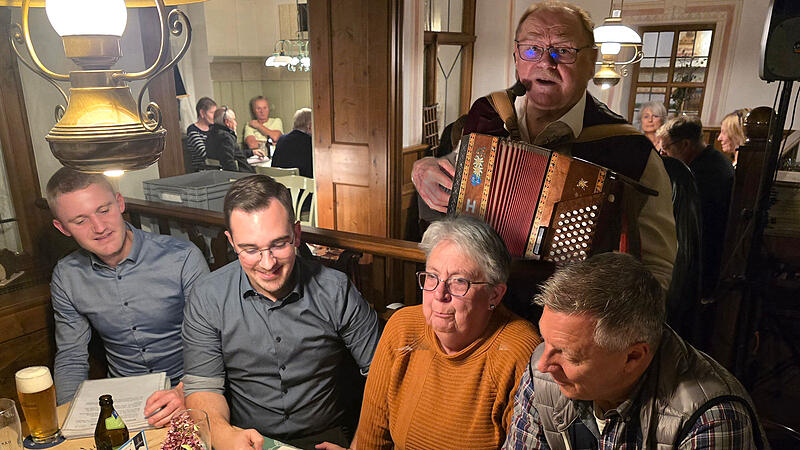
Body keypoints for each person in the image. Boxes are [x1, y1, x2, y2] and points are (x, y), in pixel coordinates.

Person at [411, 1, 677, 290]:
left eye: (563, 51)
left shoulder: (630, 151)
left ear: (592, 61)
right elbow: (442, 213)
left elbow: (657, 269)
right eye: (531, 49)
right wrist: (422, 168)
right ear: (516, 57)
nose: (546, 62)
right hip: (475, 305)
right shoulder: (481, 119)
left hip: (567, 322)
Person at [182, 175, 381, 449]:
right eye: (250, 249)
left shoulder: (336, 290)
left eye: (279, 244)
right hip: (246, 437)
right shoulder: (207, 297)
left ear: (296, 234)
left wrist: (360, 445)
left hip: (327, 437)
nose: (267, 263)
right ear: (231, 242)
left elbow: (383, 377)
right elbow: (203, 386)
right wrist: (223, 434)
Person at [504, 252, 767, 449]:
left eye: (569, 354)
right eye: (545, 340)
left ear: (633, 357)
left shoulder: (711, 418)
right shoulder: (544, 375)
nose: (543, 364)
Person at [321, 216, 540, 450]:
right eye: (432, 277)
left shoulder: (520, 352)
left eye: (458, 282)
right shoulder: (402, 327)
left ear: (494, 295)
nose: (439, 294)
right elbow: (370, 440)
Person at [46, 168, 209, 426]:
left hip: (192, 389)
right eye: (80, 220)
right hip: (123, 402)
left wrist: (184, 390)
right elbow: (71, 357)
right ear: (62, 228)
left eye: (104, 210)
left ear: (120, 203)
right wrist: (68, 418)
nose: (99, 227)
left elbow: (214, 342)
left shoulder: (182, 257)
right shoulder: (67, 276)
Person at [657, 115, 734, 298]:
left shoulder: (706, 174)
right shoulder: (710, 160)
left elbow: (690, 226)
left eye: (666, 147)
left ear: (685, 144)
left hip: (704, 262)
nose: (662, 153)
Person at [206, 106, 257, 173]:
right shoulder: (226, 137)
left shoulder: (211, 134)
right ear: (227, 122)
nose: (236, 123)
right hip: (242, 176)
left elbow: (234, 154)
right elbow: (228, 162)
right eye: (234, 120)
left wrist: (252, 152)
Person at [272, 108, 314, 178]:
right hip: (303, 186)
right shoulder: (310, 142)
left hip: (279, 186)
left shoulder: (281, 139)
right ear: (309, 126)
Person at [186, 97, 217, 172]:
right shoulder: (193, 130)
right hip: (202, 171)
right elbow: (204, 153)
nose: (215, 116)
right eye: (212, 113)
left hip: (217, 168)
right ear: (202, 113)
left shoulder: (214, 128)